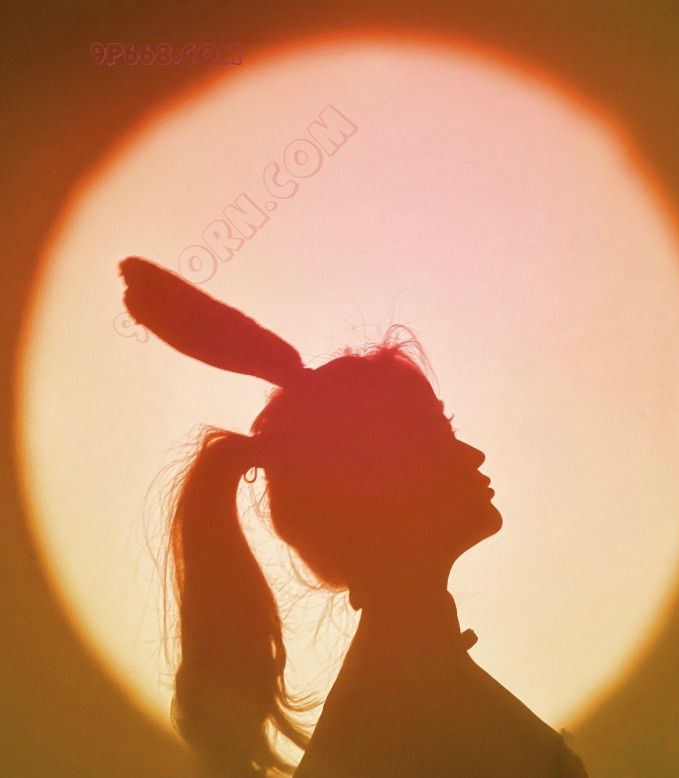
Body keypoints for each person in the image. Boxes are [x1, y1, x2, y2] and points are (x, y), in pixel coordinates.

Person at [119, 257, 589, 778]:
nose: (473, 455)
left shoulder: (404, 684)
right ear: (386, 485)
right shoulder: (410, 706)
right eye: (439, 433)